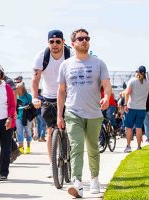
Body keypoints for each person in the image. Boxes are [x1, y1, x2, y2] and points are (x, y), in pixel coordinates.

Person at [57, 28, 112, 198]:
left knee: (93, 148)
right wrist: (60, 114)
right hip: (73, 112)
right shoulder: (65, 65)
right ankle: (77, 183)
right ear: (73, 44)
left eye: (86, 38)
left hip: (94, 113)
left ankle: (94, 179)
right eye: (80, 38)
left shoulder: (99, 63)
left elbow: (107, 85)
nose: (84, 41)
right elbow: (61, 91)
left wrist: (107, 97)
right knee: (77, 147)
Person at [31, 29, 73, 178]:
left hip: (68, 95)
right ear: (48, 42)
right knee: (50, 130)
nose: (54, 45)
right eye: (51, 42)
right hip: (48, 96)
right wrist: (35, 97)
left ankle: (71, 159)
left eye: (58, 41)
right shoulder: (42, 56)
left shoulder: (70, 55)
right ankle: (52, 164)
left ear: (63, 42)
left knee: (70, 128)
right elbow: (35, 80)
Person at [124, 66, 149, 152]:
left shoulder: (132, 80)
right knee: (139, 128)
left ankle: (128, 146)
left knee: (129, 127)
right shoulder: (147, 82)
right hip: (142, 108)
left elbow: (127, 93)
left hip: (131, 108)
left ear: (139, 73)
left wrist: (125, 104)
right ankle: (138, 146)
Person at [15, 82, 35, 154]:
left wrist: (28, 107)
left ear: (22, 89)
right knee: (19, 132)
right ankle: (21, 147)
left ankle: (28, 146)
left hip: (27, 116)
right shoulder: (15, 96)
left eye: (17, 88)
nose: (16, 89)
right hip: (18, 116)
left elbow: (32, 106)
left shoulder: (28, 96)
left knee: (28, 131)